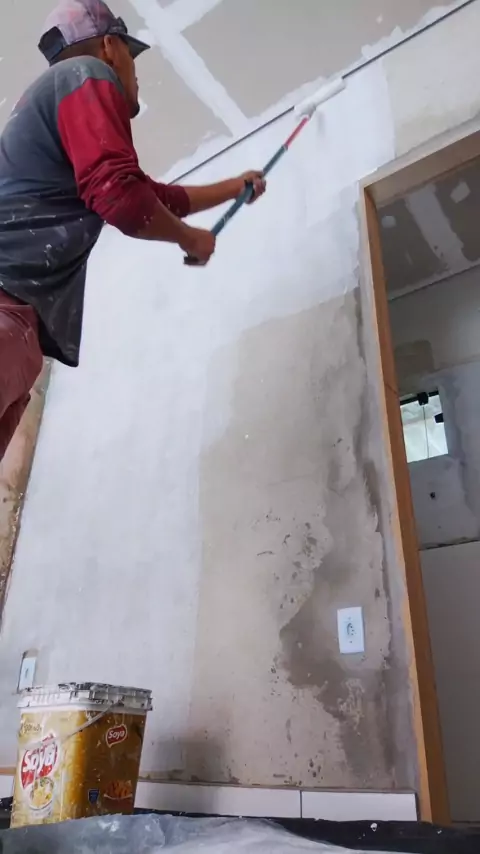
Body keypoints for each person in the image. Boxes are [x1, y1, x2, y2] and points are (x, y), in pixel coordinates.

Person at [0, 0, 266, 462]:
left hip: (17, 317)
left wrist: (233, 188)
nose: (135, 75)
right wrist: (190, 239)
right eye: (132, 56)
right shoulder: (85, 73)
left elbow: (147, 194)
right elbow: (119, 195)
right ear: (110, 46)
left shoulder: (48, 110)